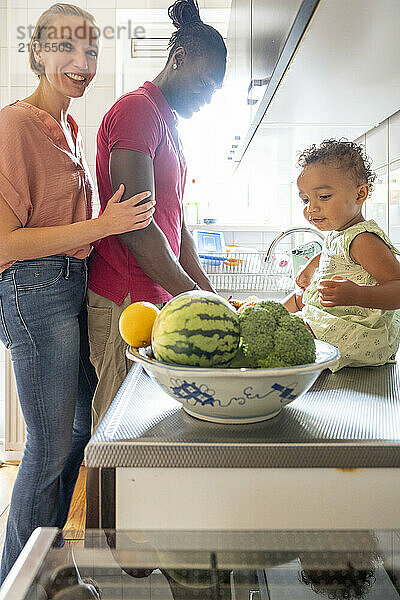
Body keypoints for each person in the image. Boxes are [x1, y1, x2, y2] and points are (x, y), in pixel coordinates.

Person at [0, 3, 155, 583]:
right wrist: (103, 227)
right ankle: (21, 580)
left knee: (76, 433)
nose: (82, 62)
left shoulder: (64, 125)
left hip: (63, 286)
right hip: (32, 289)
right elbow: (4, 243)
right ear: (37, 51)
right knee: (46, 448)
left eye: (91, 50)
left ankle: (50, 567)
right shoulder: (13, 125)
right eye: (66, 47)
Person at [86, 0, 227, 433]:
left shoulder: (168, 123)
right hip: (125, 297)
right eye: (203, 86)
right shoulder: (137, 111)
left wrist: (207, 295)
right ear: (178, 58)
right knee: (118, 433)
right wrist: (194, 300)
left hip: (154, 296)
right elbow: (138, 225)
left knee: (147, 430)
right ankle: (100, 505)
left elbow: (175, 222)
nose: (205, 100)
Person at [283, 138, 400, 371]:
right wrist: (311, 267)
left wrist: (357, 294)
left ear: (360, 194)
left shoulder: (363, 240)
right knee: (297, 298)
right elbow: (333, 252)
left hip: (358, 333)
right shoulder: (341, 234)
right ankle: (265, 315)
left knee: (288, 332)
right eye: (305, 199)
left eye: (323, 197)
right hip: (336, 320)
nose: (311, 208)